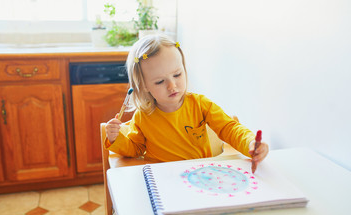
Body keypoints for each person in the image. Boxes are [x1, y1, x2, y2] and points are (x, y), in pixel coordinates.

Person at [105, 34, 269, 166]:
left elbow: (229, 128)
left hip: (200, 175)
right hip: (163, 181)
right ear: (144, 85)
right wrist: (115, 138)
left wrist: (250, 143)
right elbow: (136, 149)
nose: (172, 85)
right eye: (160, 81)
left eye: (177, 75)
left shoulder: (200, 104)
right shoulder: (143, 116)